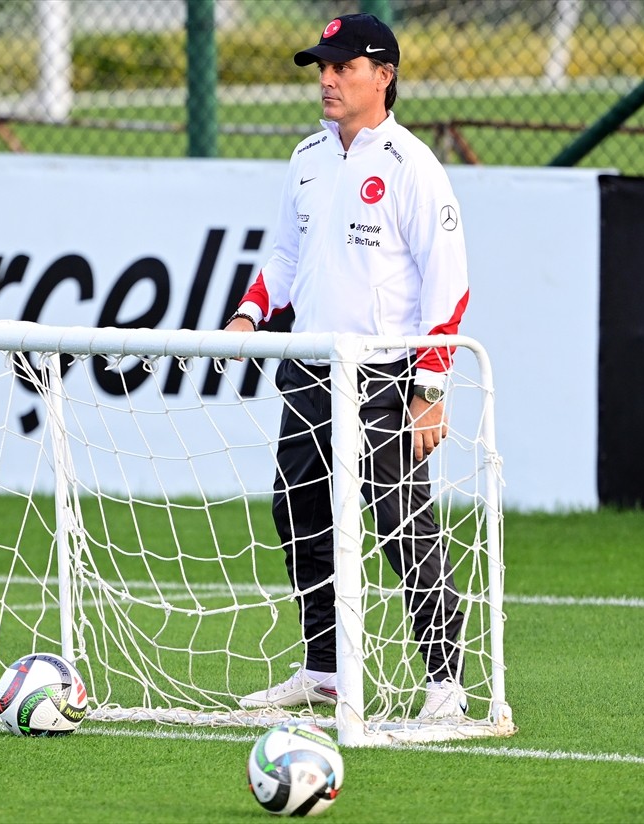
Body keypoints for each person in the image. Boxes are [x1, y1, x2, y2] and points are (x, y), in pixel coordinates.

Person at [224, 13, 470, 721]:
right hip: (309, 368)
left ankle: (446, 684)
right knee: (296, 511)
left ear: (384, 77)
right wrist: (249, 312)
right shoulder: (305, 156)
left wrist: (429, 388)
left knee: (399, 522)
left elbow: (447, 284)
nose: (327, 80)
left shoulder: (412, 167)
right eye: (321, 68)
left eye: (343, 68)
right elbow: (285, 258)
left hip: (384, 374)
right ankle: (323, 670)